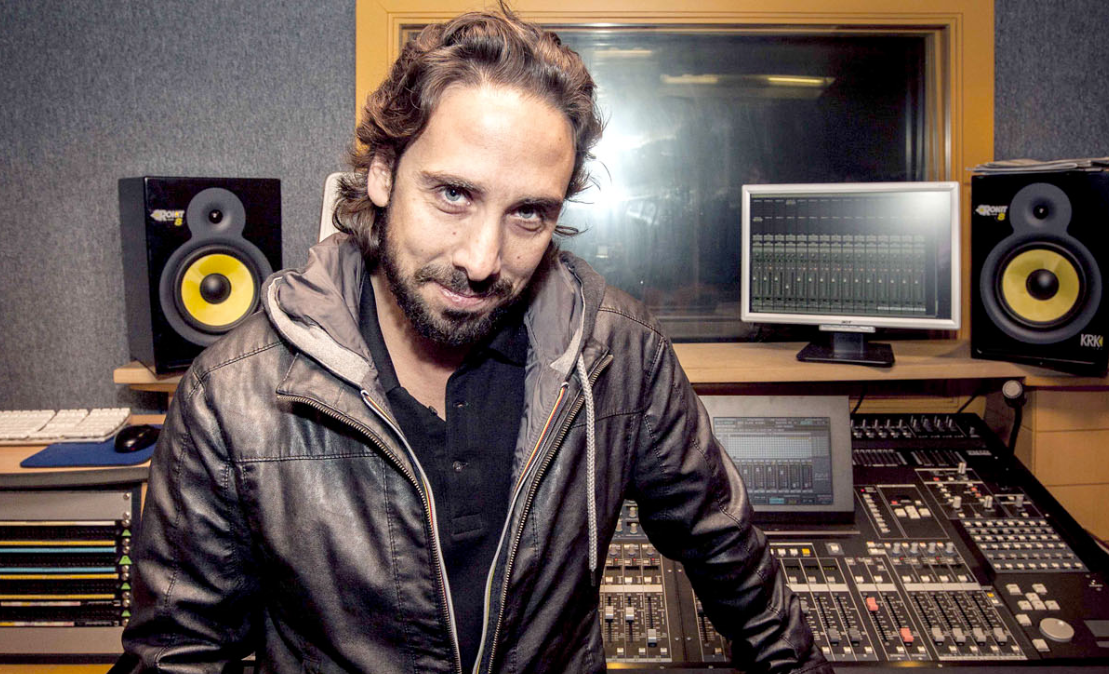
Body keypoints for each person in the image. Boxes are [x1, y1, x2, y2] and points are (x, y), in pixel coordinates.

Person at [120, 6, 831, 674]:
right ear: (382, 172)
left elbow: (736, 567)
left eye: (529, 214)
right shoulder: (230, 395)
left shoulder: (623, 354)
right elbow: (179, 652)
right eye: (454, 194)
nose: (483, 259)